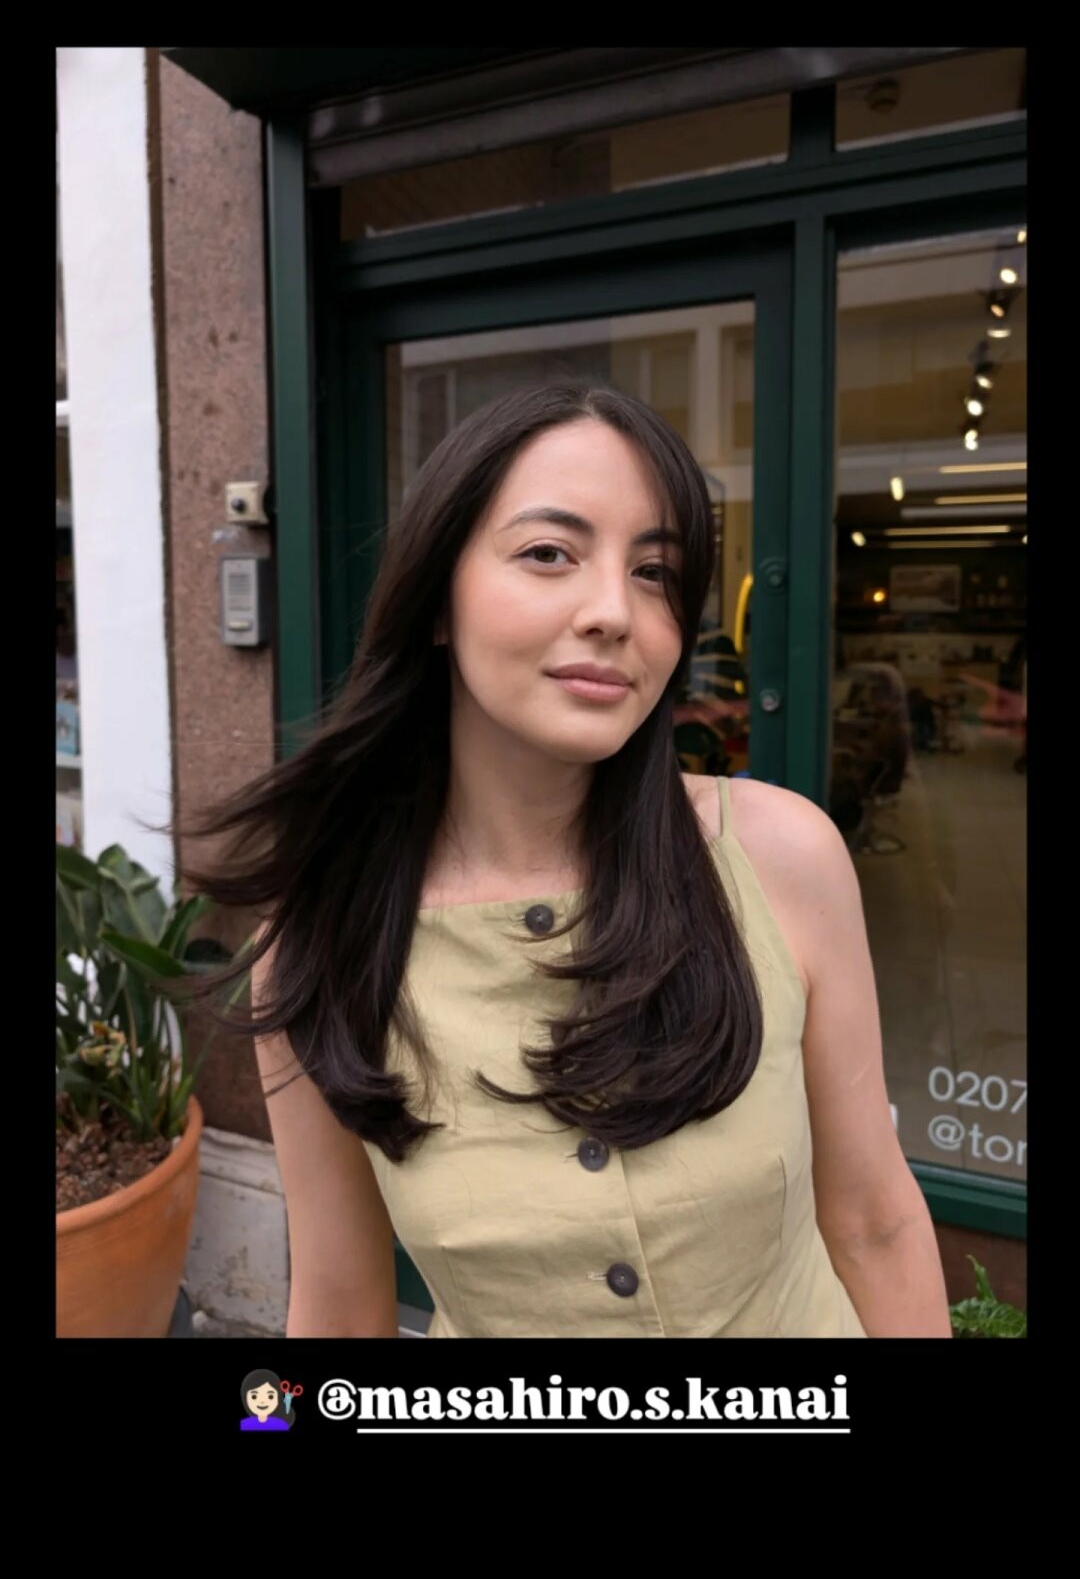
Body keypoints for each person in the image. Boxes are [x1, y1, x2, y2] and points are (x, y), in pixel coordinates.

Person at [178, 382, 951, 1339]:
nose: (614, 611)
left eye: (655, 572)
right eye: (549, 553)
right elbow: (337, 1305)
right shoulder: (323, 948)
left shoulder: (783, 856)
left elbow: (875, 1222)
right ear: (436, 601)